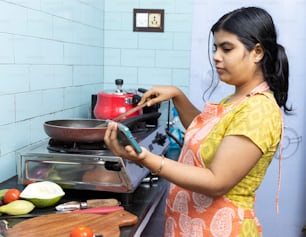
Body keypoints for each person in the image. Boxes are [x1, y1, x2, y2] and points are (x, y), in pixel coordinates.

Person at [104, 6, 291, 237]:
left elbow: (217, 181)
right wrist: (177, 95)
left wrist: (147, 158)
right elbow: (207, 135)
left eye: (227, 48)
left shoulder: (258, 111)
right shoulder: (236, 99)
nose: (216, 56)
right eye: (215, 48)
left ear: (257, 52)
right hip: (194, 226)